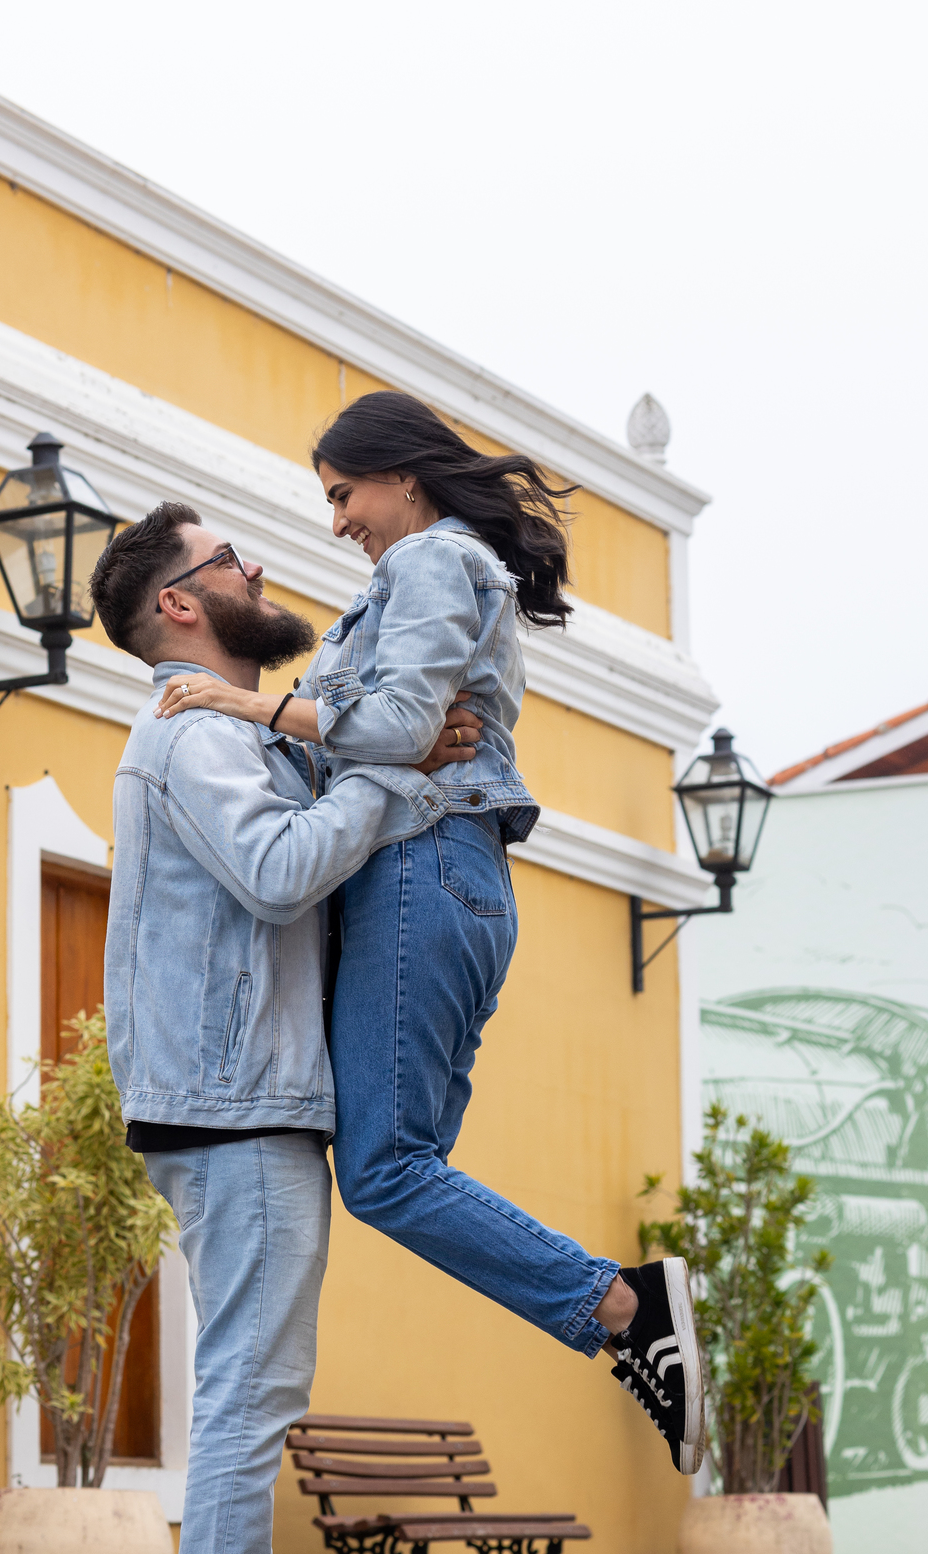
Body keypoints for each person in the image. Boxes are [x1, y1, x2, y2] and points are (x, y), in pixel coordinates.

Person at [154, 391, 706, 1479]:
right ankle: (620, 1306)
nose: (336, 521)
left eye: (343, 493)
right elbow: (386, 736)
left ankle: (624, 1305)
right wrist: (333, 735)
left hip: (425, 869)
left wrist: (239, 706)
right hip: (433, 877)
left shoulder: (429, 564)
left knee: (388, 1172)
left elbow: (398, 731)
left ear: (402, 475)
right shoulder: (412, 579)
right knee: (398, 1170)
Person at [92, 501, 484, 1554]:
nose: (257, 565)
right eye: (228, 559)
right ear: (180, 605)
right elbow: (275, 870)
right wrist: (389, 769)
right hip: (232, 1106)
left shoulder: (228, 732)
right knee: (250, 1389)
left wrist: (373, 757)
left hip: (234, 1100)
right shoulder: (190, 732)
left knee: (248, 1382)